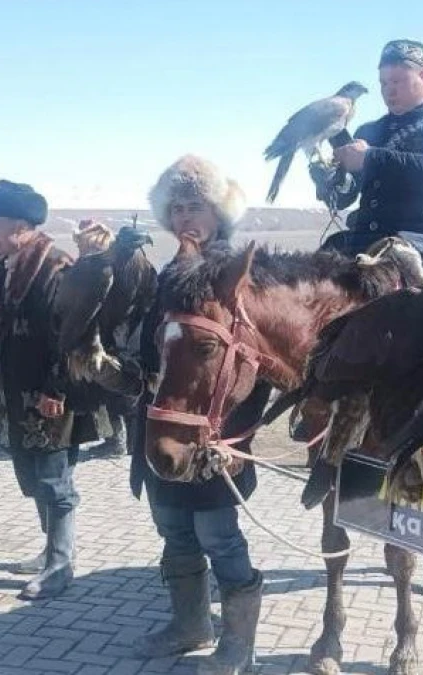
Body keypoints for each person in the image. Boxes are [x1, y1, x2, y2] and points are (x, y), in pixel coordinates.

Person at [130, 155, 267, 675]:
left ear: (218, 210)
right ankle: (190, 625)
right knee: (174, 530)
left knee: (218, 537)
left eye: (196, 206)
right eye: (177, 208)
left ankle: (237, 644)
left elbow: (252, 368)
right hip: (165, 427)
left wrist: (236, 439)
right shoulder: (170, 274)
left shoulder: (237, 275)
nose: (186, 217)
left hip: (214, 436)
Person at [0, 179, 109, 601]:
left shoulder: (55, 267)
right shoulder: (6, 267)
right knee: (33, 477)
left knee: (54, 482)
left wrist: (56, 389)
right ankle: (50, 549)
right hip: (17, 393)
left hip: (53, 395)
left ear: (19, 226)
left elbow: (70, 336)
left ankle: (60, 565)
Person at [312, 39, 423, 283]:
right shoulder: (369, 130)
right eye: (383, 83)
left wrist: (370, 158)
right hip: (361, 242)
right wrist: (330, 180)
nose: (389, 90)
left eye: (397, 81)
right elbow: (346, 196)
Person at [72, 219, 132, 457]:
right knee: (101, 391)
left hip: (107, 339)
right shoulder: (98, 267)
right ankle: (113, 437)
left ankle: (117, 440)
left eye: (82, 244)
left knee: (110, 390)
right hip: (99, 336)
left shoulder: (106, 270)